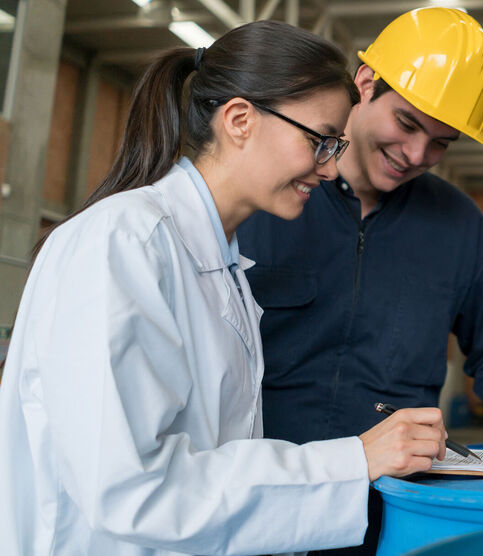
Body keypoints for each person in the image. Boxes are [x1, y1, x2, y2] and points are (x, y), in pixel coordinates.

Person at [0, 20, 450, 555]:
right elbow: (132, 492)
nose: (330, 170)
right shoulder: (121, 242)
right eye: (321, 142)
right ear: (239, 120)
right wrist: (354, 460)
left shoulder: (224, 267)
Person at [236, 8, 483, 552]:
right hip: (260, 495)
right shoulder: (267, 196)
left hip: (390, 511)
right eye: (408, 124)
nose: (417, 155)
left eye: (441, 143)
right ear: (364, 85)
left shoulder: (459, 227)